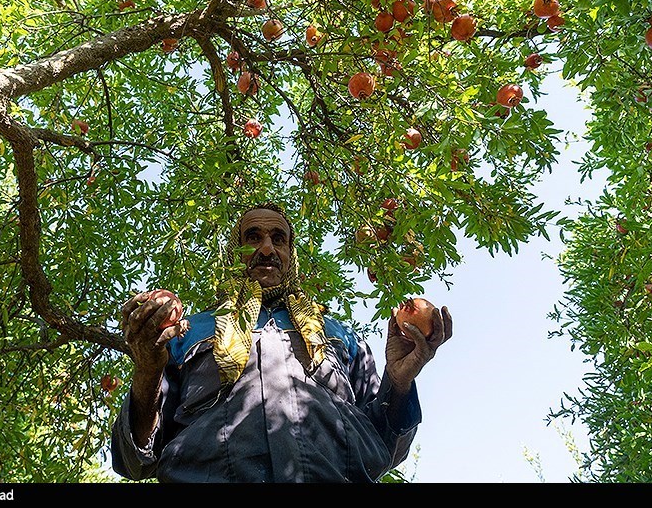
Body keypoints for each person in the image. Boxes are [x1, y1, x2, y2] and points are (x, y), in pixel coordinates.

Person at [110, 202, 452, 483]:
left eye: (279, 238)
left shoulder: (341, 336)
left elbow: (388, 449)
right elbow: (134, 460)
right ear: (234, 253)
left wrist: (400, 383)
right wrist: (146, 372)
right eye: (253, 237)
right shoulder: (188, 332)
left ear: (291, 254)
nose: (267, 248)